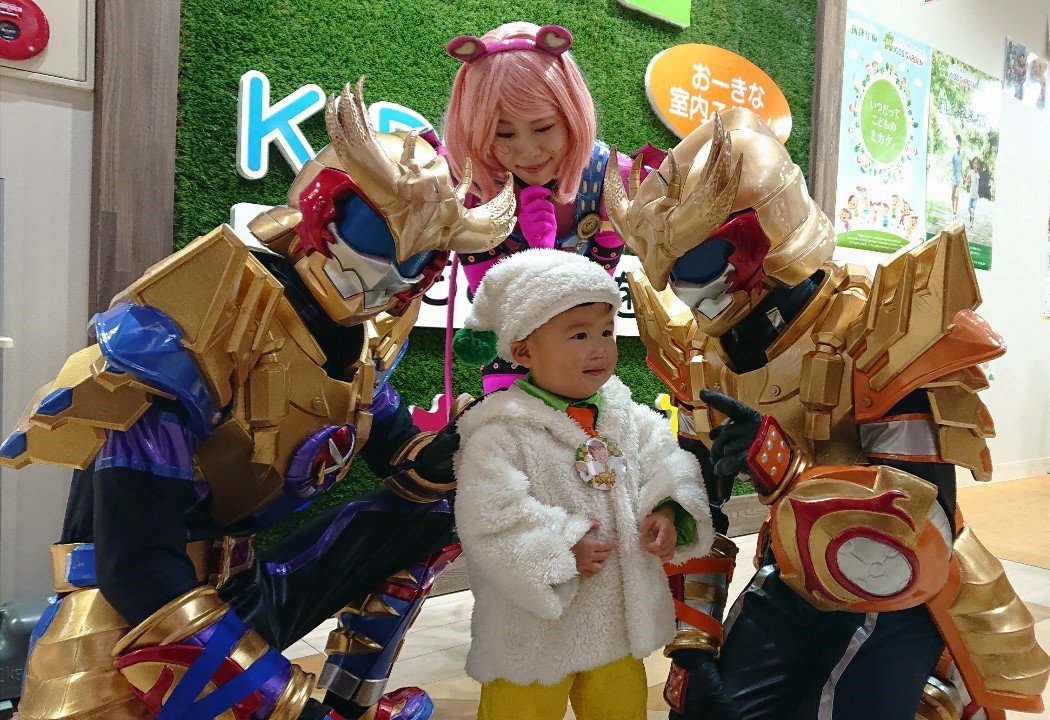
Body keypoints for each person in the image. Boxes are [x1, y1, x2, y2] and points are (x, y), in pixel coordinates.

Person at [0, 80, 516, 720]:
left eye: (416, 261)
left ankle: (351, 702)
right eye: (373, 238)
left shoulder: (358, 348)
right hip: (125, 628)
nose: (386, 274)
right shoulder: (192, 329)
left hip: (242, 594)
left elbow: (402, 456)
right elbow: (139, 570)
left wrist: (464, 446)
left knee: (436, 509)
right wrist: (288, 706)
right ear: (321, 210)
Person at [605, 108, 1050, 719]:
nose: (679, 289)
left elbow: (920, 524)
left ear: (759, 235)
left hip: (899, 591)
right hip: (792, 572)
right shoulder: (702, 358)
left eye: (694, 263)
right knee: (708, 706)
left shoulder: (879, 330)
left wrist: (782, 467)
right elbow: (695, 504)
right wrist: (695, 641)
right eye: (666, 270)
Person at [451, 249, 715, 720]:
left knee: (621, 711)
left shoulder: (625, 415)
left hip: (615, 624)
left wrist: (668, 508)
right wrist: (560, 548)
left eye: (606, 331)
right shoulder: (499, 432)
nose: (601, 349)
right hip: (533, 637)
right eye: (579, 335)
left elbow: (668, 462)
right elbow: (489, 519)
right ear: (524, 351)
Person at [443, 22, 643, 394]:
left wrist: (548, 259)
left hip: (584, 344)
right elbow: (491, 301)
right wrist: (537, 257)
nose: (529, 152)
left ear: (571, 116)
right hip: (512, 345)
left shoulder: (609, 179)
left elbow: (598, 292)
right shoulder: (469, 185)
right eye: (504, 133)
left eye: (544, 127)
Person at [951, 134, 963, 216]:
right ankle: (953, 211)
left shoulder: (961, 156)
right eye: (957, 143)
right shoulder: (953, 154)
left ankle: (955, 212)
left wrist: (963, 178)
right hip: (953, 178)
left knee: (957, 196)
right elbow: (950, 162)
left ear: (961, 145)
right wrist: (950, 166)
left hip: (959, 179)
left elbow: (961, 168)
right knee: (952, 196)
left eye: (959, 143)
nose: (958, 145)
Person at [967, 155, 981, 227]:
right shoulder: (971, 172)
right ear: (973, 165)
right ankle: (970, 215)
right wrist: (965, 179)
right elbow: (967, 177)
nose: (975, 165)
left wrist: (977, 193)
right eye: (974, 163)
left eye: (976, 164)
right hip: (971, 195)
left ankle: (971, 224)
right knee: (969, 209)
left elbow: (977, 185)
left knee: (973, 211)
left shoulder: (977, 175)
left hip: (975, 196)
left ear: (978, 166)